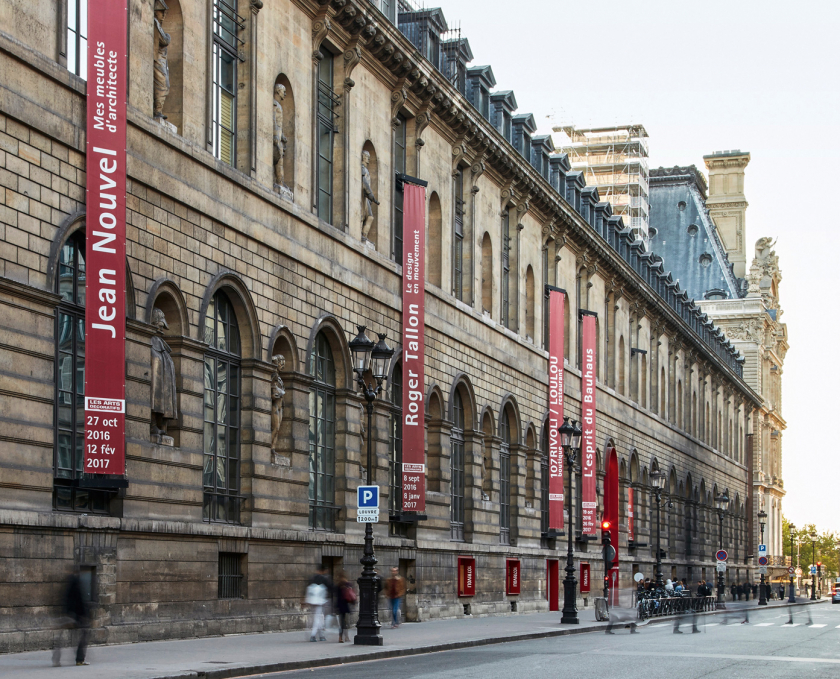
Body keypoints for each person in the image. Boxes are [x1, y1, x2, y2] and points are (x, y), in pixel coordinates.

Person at [52, 567, 90, 667]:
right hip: (75, 616)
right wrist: (84, 615)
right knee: (84, 634)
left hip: (67, 614)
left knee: (60, 637)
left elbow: (64, 598)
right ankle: (79, 659)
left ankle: (56, 660)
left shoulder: (68, 581)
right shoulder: (76, 581)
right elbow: (80, 600)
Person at [305, 565, 332, 642]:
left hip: (312, 600)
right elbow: (331, 587)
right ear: (322, 571)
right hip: (320, 601)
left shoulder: (312, 578)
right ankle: (313, 635)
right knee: (318, 617)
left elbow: (306, 588)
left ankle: (321, 635)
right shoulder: (323, 578)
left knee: (319, 617)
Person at [335, 571, 355, 643]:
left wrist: (336, 606)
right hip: (346, 604)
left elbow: (337, 596)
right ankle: (346, 636)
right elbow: (352, 594)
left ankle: (341, 637)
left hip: (340, 605)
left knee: (342, 622)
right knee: (345, 622)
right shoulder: (348, 584)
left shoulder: (338, 585)